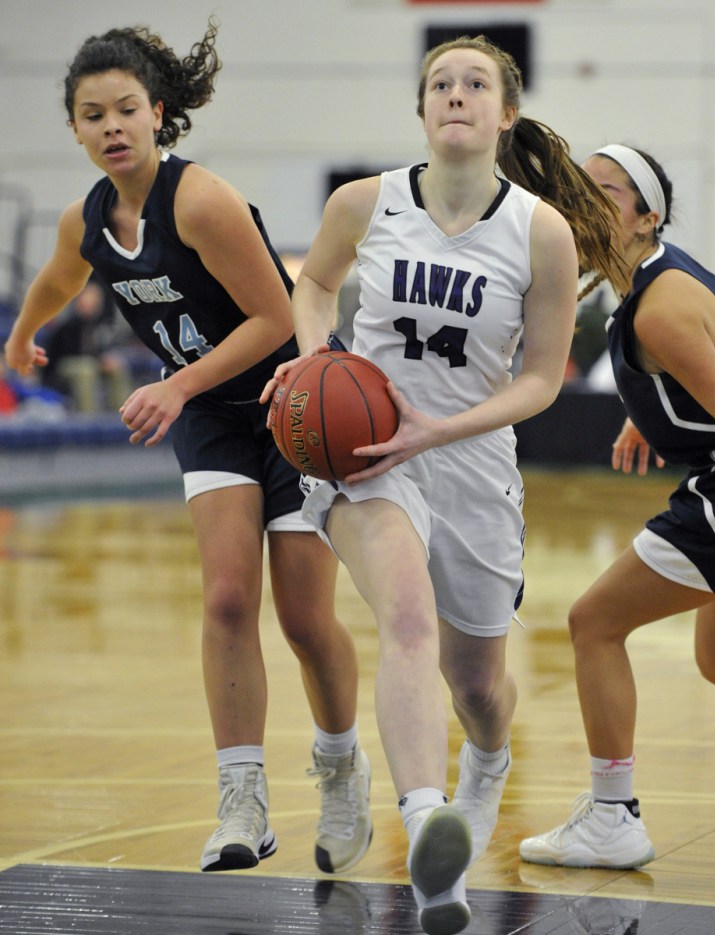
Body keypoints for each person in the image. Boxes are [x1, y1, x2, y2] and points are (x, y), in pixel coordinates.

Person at [261, 35, 628, 935]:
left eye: (474, 85)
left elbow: (540, 379)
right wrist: (318, 359)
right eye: (438, 84)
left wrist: (442, 426)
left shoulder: (539, 230)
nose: (454, 95)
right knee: (407, 622)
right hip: (368, 457)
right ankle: (430, 833)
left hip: (472, 461)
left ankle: (487, 762)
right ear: (421, 110)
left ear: (505, 114)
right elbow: (310, 286)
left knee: (476, 684)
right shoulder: (365, 201)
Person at [3, 19, 372, 876]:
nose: (111, 127)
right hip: (211, 414)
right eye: (92, 115)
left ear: (158, 112)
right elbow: (62, 275)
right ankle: (242, 798)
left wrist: (174, 383)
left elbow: (276, 320)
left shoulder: (198, 199)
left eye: (126, 109)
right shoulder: (86, 219)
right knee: (225, 600)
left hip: (289, 409)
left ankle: (341, 770)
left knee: (306, 618)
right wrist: (23, 335)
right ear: (74, 127)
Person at [519, 144, 715, 869]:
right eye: (578, 189)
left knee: (592, 621)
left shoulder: (660, 310)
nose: (584, 200)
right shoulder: (656, 281)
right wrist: (646, 410)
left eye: (606, 191)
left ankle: (612, 816)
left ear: (646, 216)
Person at [40, 277, 133, 412]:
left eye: (96, 299)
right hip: (59, 368)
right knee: (86, 369)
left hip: (90, 363)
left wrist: (105, 360)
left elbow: (99, 348)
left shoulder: (98, 323)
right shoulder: (68, 324)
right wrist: (98, 361)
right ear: (80, 300)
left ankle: (123, 413)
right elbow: (70, 353)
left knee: (116, 366)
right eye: (89, 298)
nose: (94, 302)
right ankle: (89, 416)